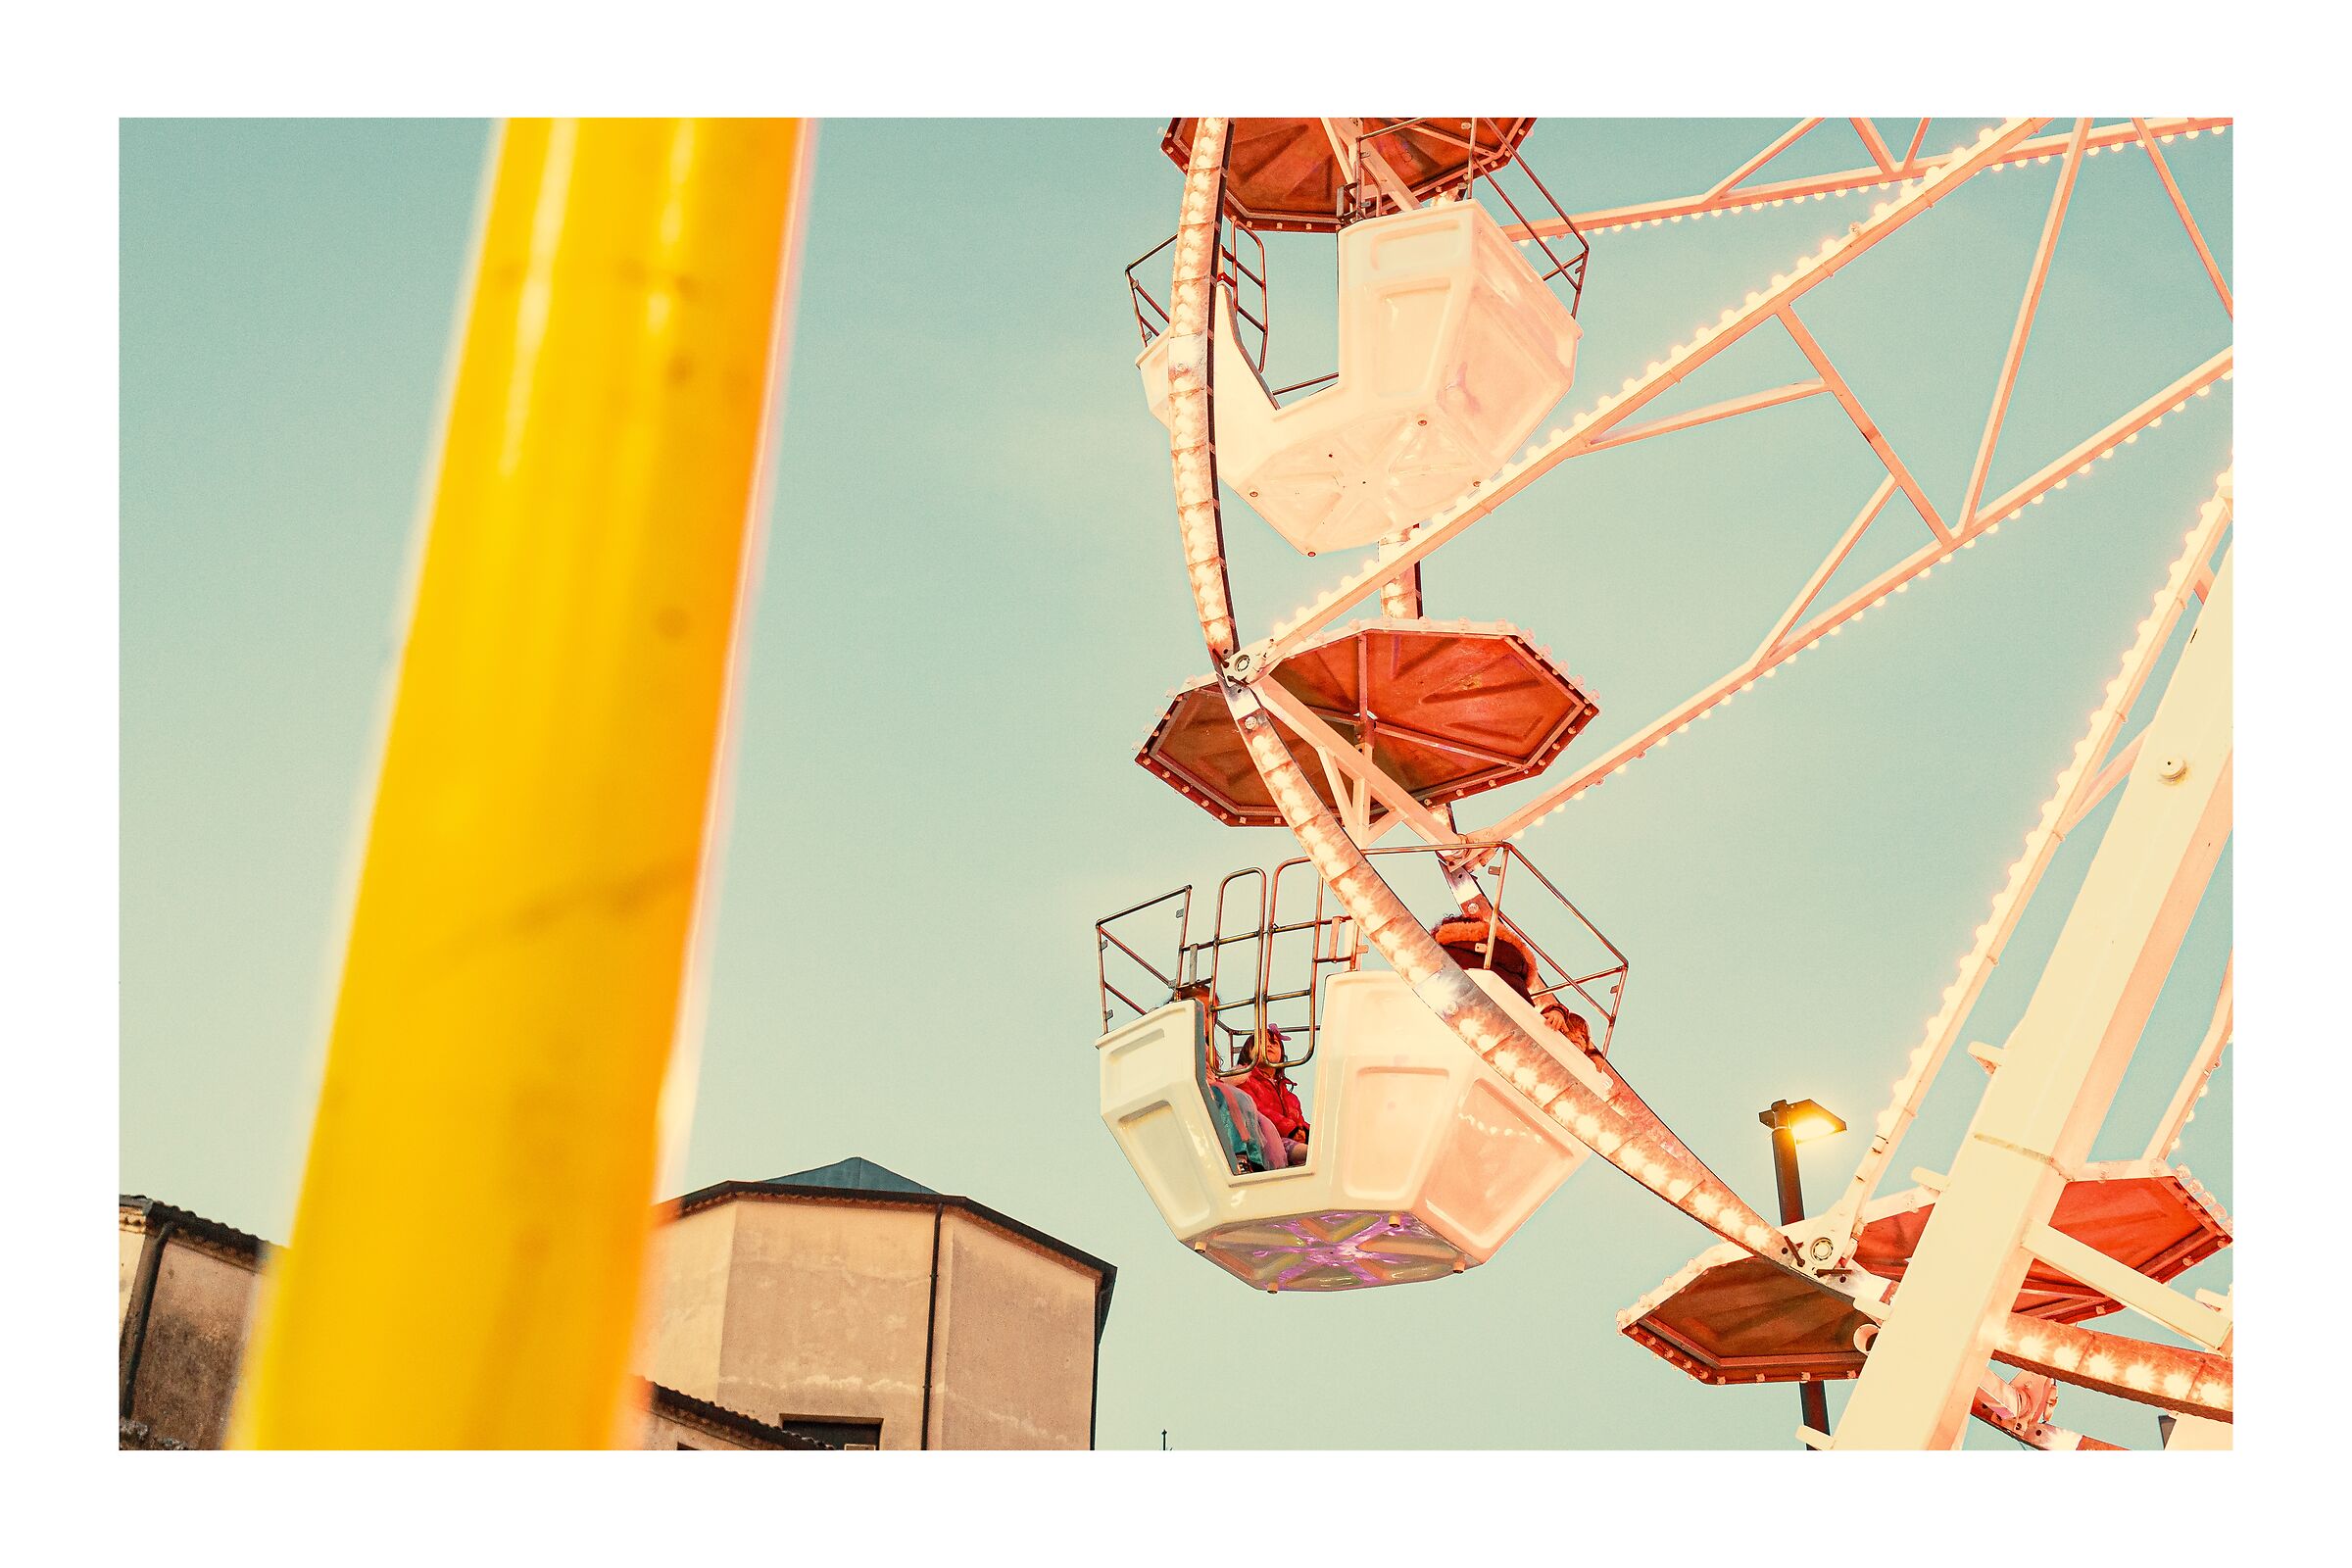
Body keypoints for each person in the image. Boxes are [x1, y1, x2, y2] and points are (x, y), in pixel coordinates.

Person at [1174, 982, 1288, 1172]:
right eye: (1204, 1013)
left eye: (1213, 1015)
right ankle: (1240, 1155)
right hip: (1202, 1086)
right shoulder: (1183, 1038)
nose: (1209, 1020)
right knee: (1234, 1102)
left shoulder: (1284, 1088)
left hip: (1213, 1085)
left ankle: (1253, 1159)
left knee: (1250, 1112)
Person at [1238, 1027, 1311, 1167]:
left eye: (1274, 1043)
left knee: (1322, 1141)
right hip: (1264, 1141)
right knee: (1311, 1152)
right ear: (1247, 1053)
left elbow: (1299, 1120)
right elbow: (1257, 1111)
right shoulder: (1244, 1080)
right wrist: (1291, 1130)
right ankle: (1314, 1152)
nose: (1268, 1045)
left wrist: (1305, 1132)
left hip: (1289, 1139)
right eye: (1261, 1041)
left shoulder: (1289, 1095)